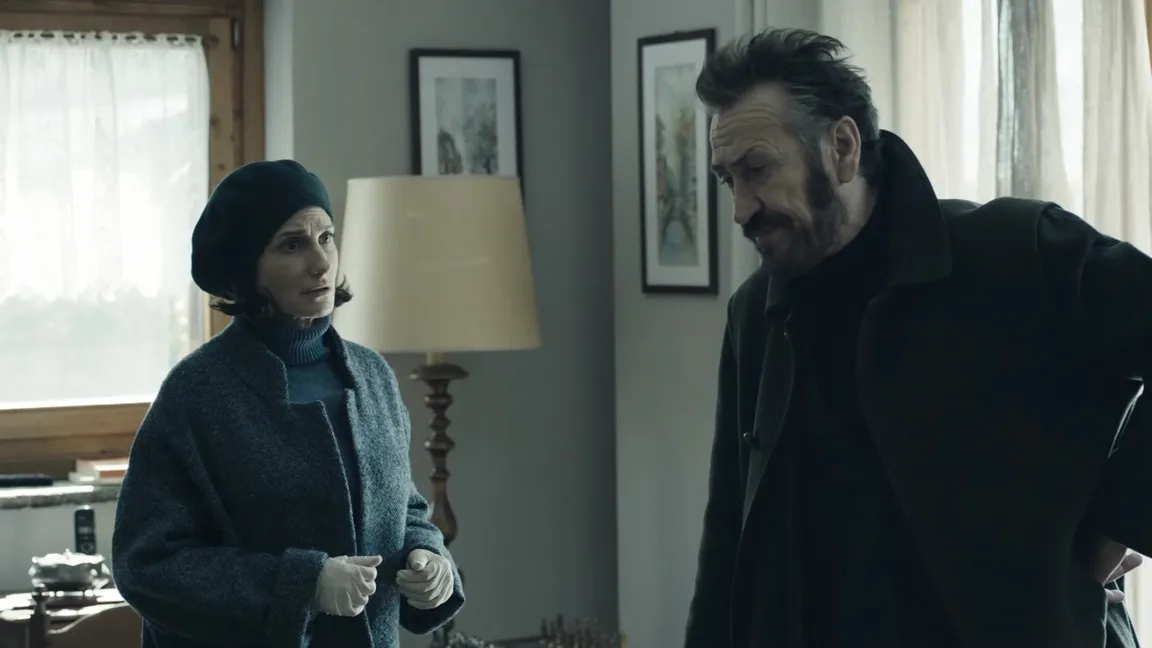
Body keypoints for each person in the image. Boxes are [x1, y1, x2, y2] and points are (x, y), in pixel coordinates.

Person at [686, 28, 1152, 648]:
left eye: (757, 170)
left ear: (842, 147)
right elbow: (727, 541)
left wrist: (1114, 521)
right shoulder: (755, 314)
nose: (742, 208)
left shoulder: (1017, 253)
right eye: (728, 180)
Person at [111, 160, 465, 648]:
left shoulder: (372, 375)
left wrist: (429, 559)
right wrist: (304, 585)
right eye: (292, 245)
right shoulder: (197, 394)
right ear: (246, 268)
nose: (321, 263)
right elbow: (147, 565)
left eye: (327, 238)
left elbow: (403, 508)